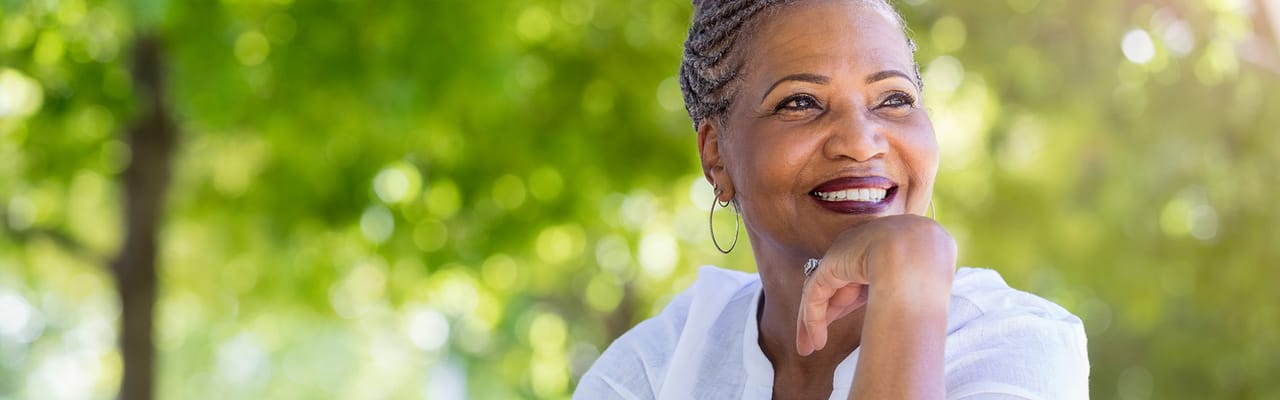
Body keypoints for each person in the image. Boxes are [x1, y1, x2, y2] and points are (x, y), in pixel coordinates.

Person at [575, 0, 1090, 398]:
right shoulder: (654, 367)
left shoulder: (1015, 344)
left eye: (894, 99)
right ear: (717, 158)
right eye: (800, 102)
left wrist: (911, 280)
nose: (862, 141)